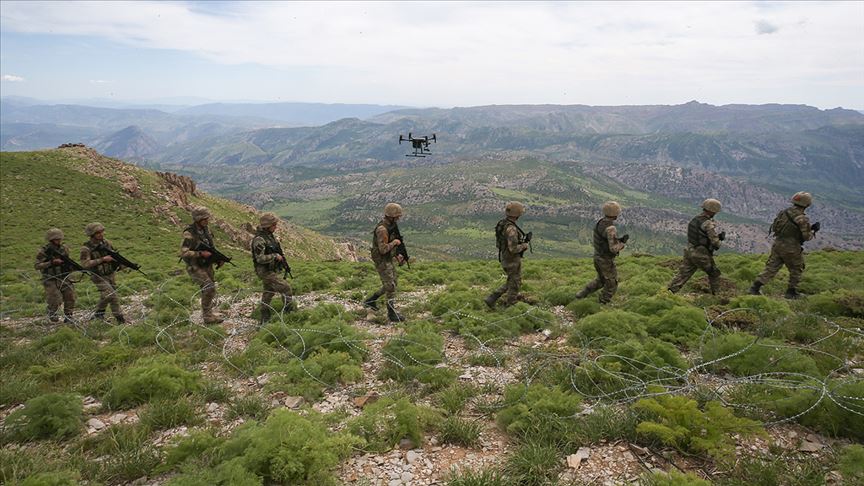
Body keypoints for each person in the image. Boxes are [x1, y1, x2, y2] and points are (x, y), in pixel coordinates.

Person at [749, 192, 819, 299]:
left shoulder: (784, 212)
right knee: (797, 268)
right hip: (791, 247)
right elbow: (807, 237)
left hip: (778, 244)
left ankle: (755, 288)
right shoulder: (802, 218)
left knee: (771, 267)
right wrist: (813, 230)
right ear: (807, 204)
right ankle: (791, 292)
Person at [575, 201, 628, 304]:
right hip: (605, 260)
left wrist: (618, 240)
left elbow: (604, 240)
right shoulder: (610, 228)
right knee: (612, 283)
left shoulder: (601, 222)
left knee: (601, 281)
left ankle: (581, 295)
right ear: (615, 214)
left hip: (598, 257)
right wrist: (622, 244)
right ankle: (603, 303)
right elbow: (613, 248)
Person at [667, 199, 725, 295]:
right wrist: (720, 238)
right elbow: (715, 243)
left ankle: (668, 294)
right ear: (712, 211)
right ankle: (718, 296)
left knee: (682, 275)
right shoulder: (708, 223)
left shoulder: (695, 219)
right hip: (700, 254)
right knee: (714, 273)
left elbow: (698, 236)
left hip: (690, 251)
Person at [364, 203, 406, 322]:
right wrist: (395, 243)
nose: (398, 218)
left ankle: (371, 300)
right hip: (382, 260)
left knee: (392, 284)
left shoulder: (391, 226)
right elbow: (383, 250)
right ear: (391, 216)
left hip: (388, 259)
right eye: (397, 216)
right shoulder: (382, 229)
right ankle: (391, 314)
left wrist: (397, 255)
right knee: (390, 286)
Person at [180, 206, 223, 323]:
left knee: (208, 289)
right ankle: (208, 317)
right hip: (195, 266)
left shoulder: (206, 230)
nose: (207, 221)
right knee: (209, 287)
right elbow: (184, 253)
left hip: (206, 265)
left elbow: (211, 249)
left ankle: (208, 313)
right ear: (198, 219)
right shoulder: (189, 233)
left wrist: (217, 259)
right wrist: (200, 253)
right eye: (205, 219)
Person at [485, 201, 531, 308]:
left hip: (505, 256)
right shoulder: (511, 229)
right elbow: (513, 249)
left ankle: (492, 298)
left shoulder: (503, 223)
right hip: (511, 259)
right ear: (517, 214)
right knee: (515, 282)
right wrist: (524, 245)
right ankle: (511, 304)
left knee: (512, 280)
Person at [251, 212, 294, 324]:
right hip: (264, 271)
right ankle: (289, 314)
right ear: (268, 226)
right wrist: (275, 256)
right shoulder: (259, 239)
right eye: (274, 225)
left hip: (270, 269)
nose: (275, 227)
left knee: (268, 292)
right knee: (286, 288)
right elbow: (260, 258)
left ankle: (264, 318)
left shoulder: (270, 236)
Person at [80, 222, 126, 323]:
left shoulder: (107, 243)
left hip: (110, 274)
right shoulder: (86, 248)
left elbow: (116, 255)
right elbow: (85, 264)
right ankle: (120, 319)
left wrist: (122, 264)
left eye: (102, 232)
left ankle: (99, 314)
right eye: (98, 233)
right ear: (92, 235)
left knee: (106, 295)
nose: (101, 234)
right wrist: (103, 259)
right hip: (98, 276)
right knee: (112, 296)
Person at [34, 228, 76, 323]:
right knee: (54, 298)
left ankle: (69, 316)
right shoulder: (43, 251)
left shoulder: (64, 249)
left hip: (63, 276)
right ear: (51, 240)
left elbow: (67, 261)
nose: (59, 241)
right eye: (56, 239)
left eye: (59, 239)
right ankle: (52, 313)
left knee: (70, 296)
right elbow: (37, 266)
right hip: (50, 279)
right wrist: (51, 262)